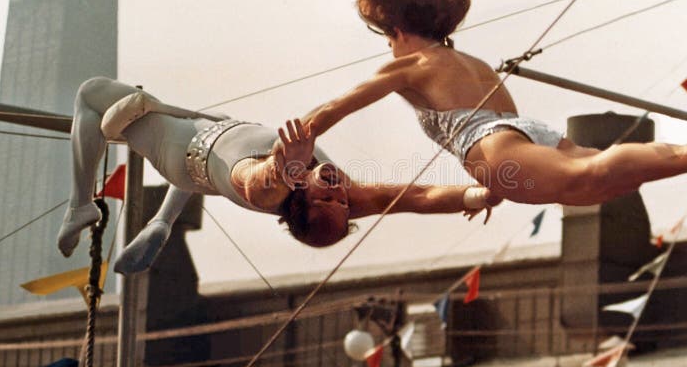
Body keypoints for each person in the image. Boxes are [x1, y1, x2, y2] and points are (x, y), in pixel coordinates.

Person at [300, 0, 687, 207]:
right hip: (533, 135)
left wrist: (292, 148)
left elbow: (334, 109)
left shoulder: (408, 65)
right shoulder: (471, 63)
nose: (390, 50)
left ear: (397, 31)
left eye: (388, 40)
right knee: (602, 184)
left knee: (592, 176)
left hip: (492, 144)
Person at [57, 77, 500, 275]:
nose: (339, 194)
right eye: (343, 204)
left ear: (298, 201)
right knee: (183, 129)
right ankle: (162, 223)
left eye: (326, 200)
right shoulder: (343, 190)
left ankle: (79, 207)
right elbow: (416, 197)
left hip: (183, 148)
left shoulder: (271, 192)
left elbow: (261, 179)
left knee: (91, 94)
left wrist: (288, 165)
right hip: (215, 126)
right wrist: (475, 195)